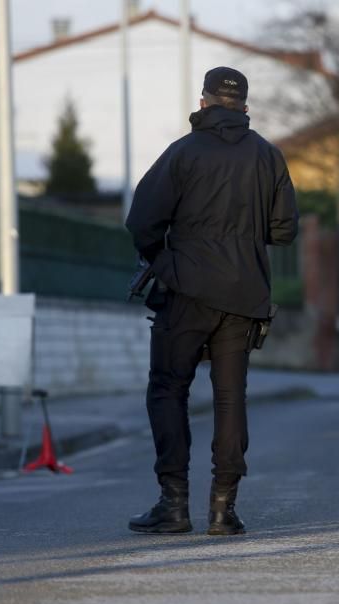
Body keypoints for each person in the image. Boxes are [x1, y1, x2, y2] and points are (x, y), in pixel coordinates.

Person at [124, 66, 298, 536]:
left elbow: (141, 221)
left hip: (185, 292)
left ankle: (173, 504)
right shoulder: (268, 156)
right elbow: (284, 230)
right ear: (244, 107)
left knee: (167, 389)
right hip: (244, 295)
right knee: (229, 398)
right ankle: (223, 509)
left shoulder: (181, 154)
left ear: (203, 103)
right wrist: (242, 243)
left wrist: (165, 262)